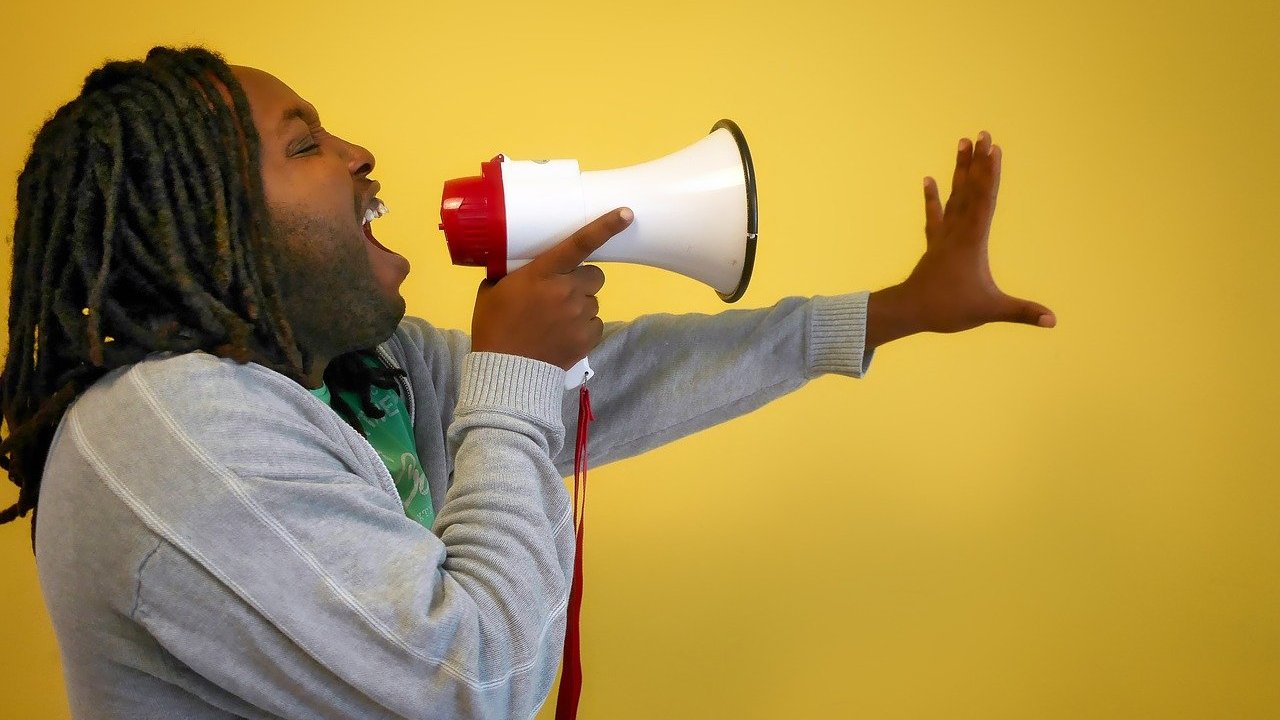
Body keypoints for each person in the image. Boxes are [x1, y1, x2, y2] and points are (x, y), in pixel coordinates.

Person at [0, 46, 1055, 719]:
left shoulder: (356, 376)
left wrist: (891, 313)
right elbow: (472, 688)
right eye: (306, 144)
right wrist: (511, 370)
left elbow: (609, 382)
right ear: (205, 221)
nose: (361, 153)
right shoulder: (161, 432)